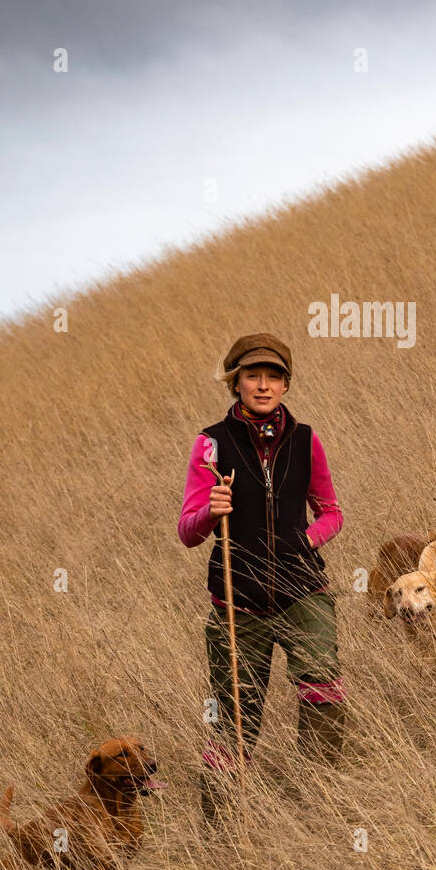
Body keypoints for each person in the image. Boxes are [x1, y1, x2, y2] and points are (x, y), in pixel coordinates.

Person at [178, 333, 345, 809]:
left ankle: (322, 803)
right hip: (237, 603)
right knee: (234, 717)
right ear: (236, 383)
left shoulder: (306, 439)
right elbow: (188, 532)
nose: (264, 385)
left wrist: (303, 542)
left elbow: (331, 512)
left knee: (324, 686)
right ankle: (222, 833)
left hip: (304, 591)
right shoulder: (211, 445)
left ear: (286, 384)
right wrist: (212, 512)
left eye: (274, 376)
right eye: (253, 376)